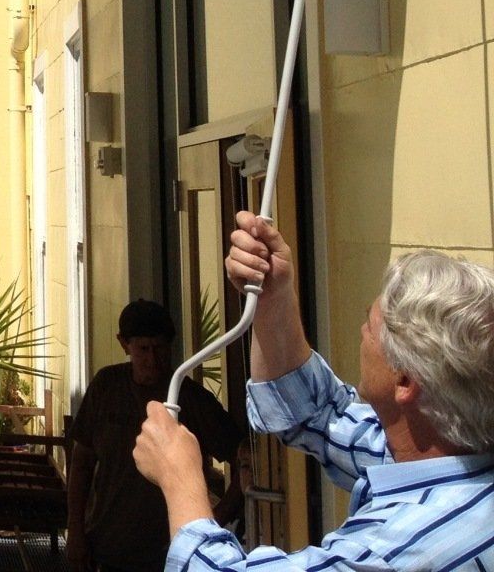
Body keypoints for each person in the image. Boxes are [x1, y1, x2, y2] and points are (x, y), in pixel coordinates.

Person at [134, 212, 494, 571]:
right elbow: (319, 416)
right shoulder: (444, 452)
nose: (362, 332)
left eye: (370, 326)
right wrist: (273, 294)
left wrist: (179, 477)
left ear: (405, 382)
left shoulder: (396, 553)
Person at [67, 298, 244, 572]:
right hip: (108, 549)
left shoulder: (191, 399)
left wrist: (214, 522)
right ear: (124, 344)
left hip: (170, 556)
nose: (152, 360)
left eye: (160, 348)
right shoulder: (106, 387)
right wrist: (75, 531)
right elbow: (81, 463)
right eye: (143, 349)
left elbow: (246, 460)